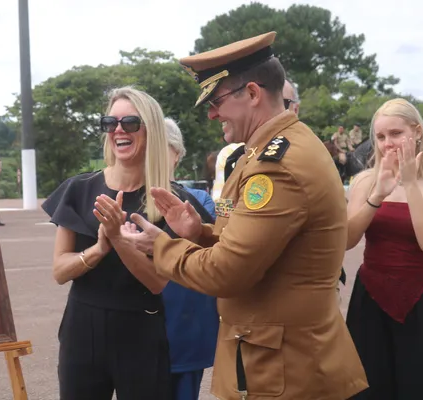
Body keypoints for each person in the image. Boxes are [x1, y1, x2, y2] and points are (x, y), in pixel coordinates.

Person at [120, 31, 368, 399]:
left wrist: (162, 246)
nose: (211, 112)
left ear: (252, 94)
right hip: (282, 362)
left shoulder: (277, 166)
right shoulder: (266, 152)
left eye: (217, 100)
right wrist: (199, 234)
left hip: (285, 372)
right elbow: (263, 247)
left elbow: (227, 272)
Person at [41, 86, 213, 400]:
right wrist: (99, 247)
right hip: (82, 328)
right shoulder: (79, 189)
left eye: (129, 123)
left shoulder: (171, 202)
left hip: (142, 329)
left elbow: (158, 282)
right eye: (110, 123)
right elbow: (59, 270)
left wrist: (119, 240)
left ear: (151, 131)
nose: (118, 130)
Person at [343, 98, 423, 399]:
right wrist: (378, 194)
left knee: (420, 383)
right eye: (380, 137)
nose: (387, 143)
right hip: (371, 297)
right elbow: (346, 241)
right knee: (371, 385)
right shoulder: (365, 181)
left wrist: (411, 185)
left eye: (395, 133)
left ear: (417, 132)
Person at [162, 117, 219, 400]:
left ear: (177, 154)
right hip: (137, 326)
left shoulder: (198, 200)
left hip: (187, 325)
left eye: (163, 147)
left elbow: (217, 248)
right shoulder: (123, 197)